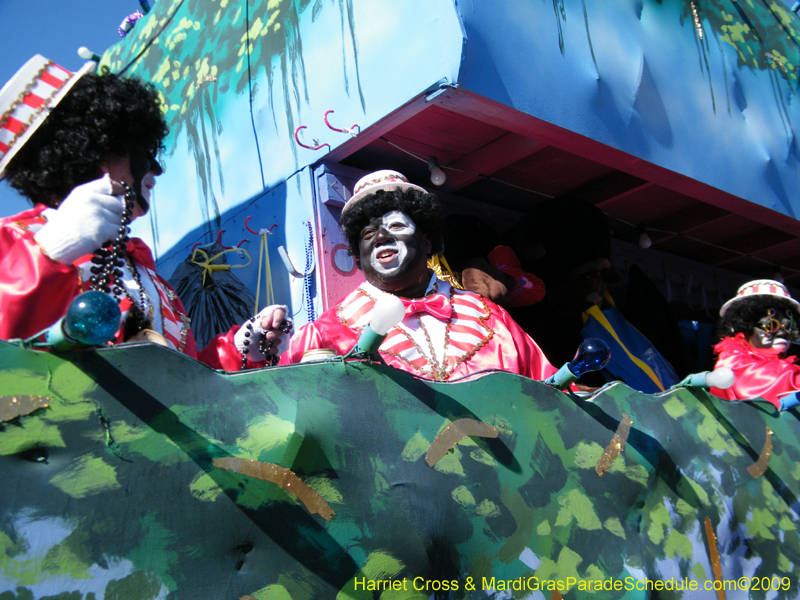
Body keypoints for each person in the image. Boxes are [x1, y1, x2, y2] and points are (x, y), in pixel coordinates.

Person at [0, 55, 288, 371]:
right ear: (93, 151)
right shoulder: (12, 242)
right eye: (142, 151)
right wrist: (50, 254)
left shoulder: (145, 273)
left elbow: (179, 380)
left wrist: (242, 348)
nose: (156, 168)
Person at [278, 170, 557, 381]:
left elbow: (548, 390)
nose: (380, 237)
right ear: (359, 257)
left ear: (425, 242)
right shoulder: (325, 334)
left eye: (396, 225)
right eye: (367, 233)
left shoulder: (490, 317)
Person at [711, 279, 800, 410]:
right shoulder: (734, 364)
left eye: (789, 327)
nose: (782, 333)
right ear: (744, 327)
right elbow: (780, 380)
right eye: (771, 325)